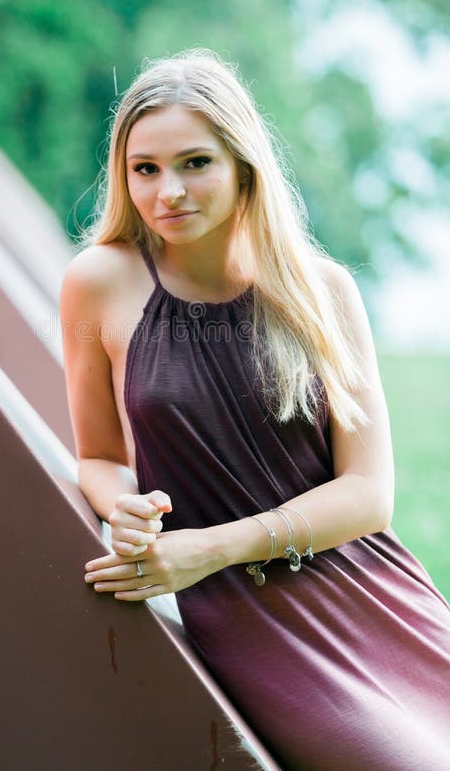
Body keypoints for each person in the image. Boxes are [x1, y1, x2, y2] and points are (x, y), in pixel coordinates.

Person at [59, 49, 450, 770]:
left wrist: (212, 547)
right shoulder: (99, 283)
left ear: (244, 166)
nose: (167, 191)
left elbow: (369, 494)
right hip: (246, 621)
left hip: (372, 594)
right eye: (144, 169)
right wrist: (123, 509)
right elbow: (100, 456)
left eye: (195, 163)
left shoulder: (322, 291)